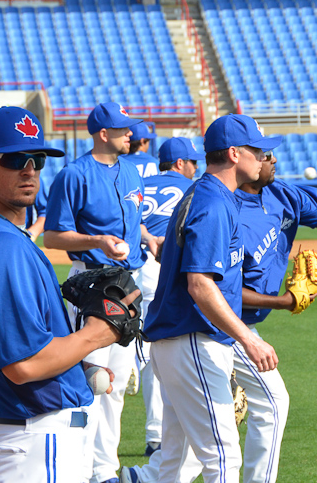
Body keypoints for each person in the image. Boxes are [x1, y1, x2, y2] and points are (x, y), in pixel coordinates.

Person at [123, 143, 317, 483]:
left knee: (198, 445)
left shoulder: (277, 192)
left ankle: (145, 478)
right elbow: (213, 289)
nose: (272, 160)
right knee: (222, 449)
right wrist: (281, 304)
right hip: (211, 327)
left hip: (211, 331)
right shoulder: (220, 205)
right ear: (238, 156)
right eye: (264, 155)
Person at [0, 106, 138, 483]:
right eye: (13, 159)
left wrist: (78, 366)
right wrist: (98, 333)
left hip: (1, 438)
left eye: (37, 158)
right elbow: (24, 365)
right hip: (34, 443)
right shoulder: (2, 246)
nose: (29, 170)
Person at [143, 114, 279, 483]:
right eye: (258, 150)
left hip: (181, 341)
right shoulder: (213, 203)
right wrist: (249, 338)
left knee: (174, 462)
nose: (264, 157)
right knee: (223, 459)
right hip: (192, 341)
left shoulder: (210, 195)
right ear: (235, 154)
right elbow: (200, 285)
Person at [44, 101, 160, 483]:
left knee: (115, 386)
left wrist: (148, 238)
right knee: (91, 381)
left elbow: (134, 220)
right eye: (125, 129)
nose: (133, 134)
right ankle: (76, 469)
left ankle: (103, 471)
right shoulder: (74, 174)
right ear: (103, 134)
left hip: (127, 283)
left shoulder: (131, 172)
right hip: (91, 281)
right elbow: (53, 235)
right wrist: (97, 240)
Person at [133, 137, 203, 459]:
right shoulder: (192, 189)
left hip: (128, 266)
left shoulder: (140, 183)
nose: (195, 168)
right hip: (160, 269)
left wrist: (145, 237)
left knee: (120, 358)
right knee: (156, 351)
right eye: (192, 162)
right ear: (180, 164)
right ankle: (156, 437)